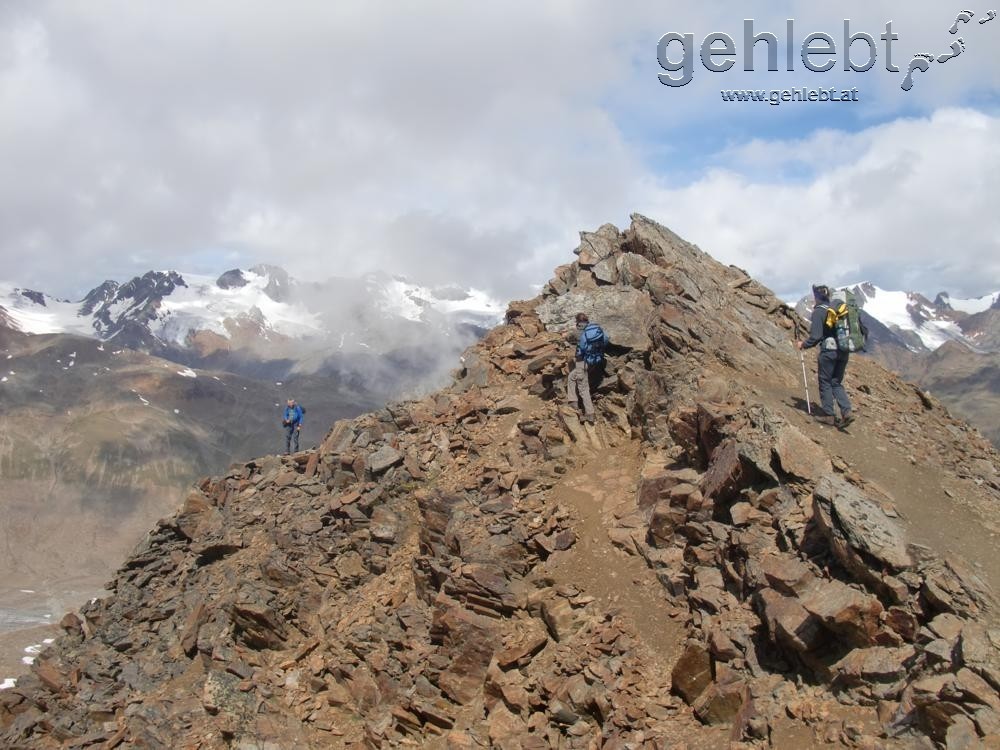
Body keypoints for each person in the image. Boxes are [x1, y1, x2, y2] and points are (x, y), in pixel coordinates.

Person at [797, 285, 854, 427]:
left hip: (829, 351)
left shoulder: (819, 312)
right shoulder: (836, 310)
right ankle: (847, 412)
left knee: (825, 382)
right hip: (844, 350)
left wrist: (803, 344)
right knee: (836, 382)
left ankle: (829, 415)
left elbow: (816, 336)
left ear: (816, 297)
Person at [566, 313, 608, 425]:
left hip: (583, 362)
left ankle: (590, 414)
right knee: (571, 377)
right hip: (597, 360)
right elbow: (606, 340)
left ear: (579, 322)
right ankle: (573, 401)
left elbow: (581, 350)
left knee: (583, 388)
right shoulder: (598, 329)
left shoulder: (584, 334)